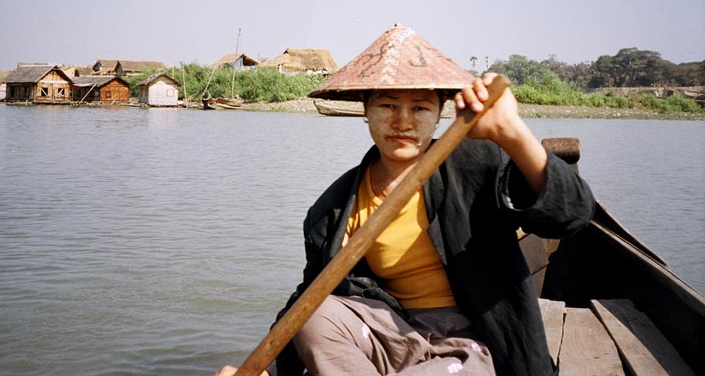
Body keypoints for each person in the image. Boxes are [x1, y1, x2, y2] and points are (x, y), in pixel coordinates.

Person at [218, 24, 595, 376]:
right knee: (316, 316)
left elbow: (573, 214)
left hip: (475, 341)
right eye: (387, 106)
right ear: (365, 110)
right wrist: (262, 370)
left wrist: (512, 134)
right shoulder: (332, 206)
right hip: (395, 333)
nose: (403, 121)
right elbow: (307, 296)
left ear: (439, 114)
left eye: (420, 108)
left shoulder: (475, 164)